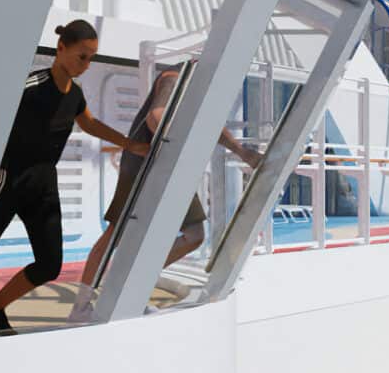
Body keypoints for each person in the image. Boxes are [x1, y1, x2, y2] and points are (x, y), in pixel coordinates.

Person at [0, 19, 144, 337]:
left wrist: (129, 143)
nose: (86, 64)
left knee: (50, 265)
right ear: (61, 48)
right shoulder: (30, 86)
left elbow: (90, 124)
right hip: (9, 182)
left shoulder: (75, 95)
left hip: (43, 187)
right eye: (82, 56)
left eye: (91, 58)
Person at [77, 65, 266, 289]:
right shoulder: (174, 78)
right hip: (142, 163)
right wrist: (183, 146)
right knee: (117, 233)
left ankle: (131, 283)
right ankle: (84, 299)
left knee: (194, 235)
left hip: (173, 166)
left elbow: (212, 124)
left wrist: (242, 152)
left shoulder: (203, 88)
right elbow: (155, 116)